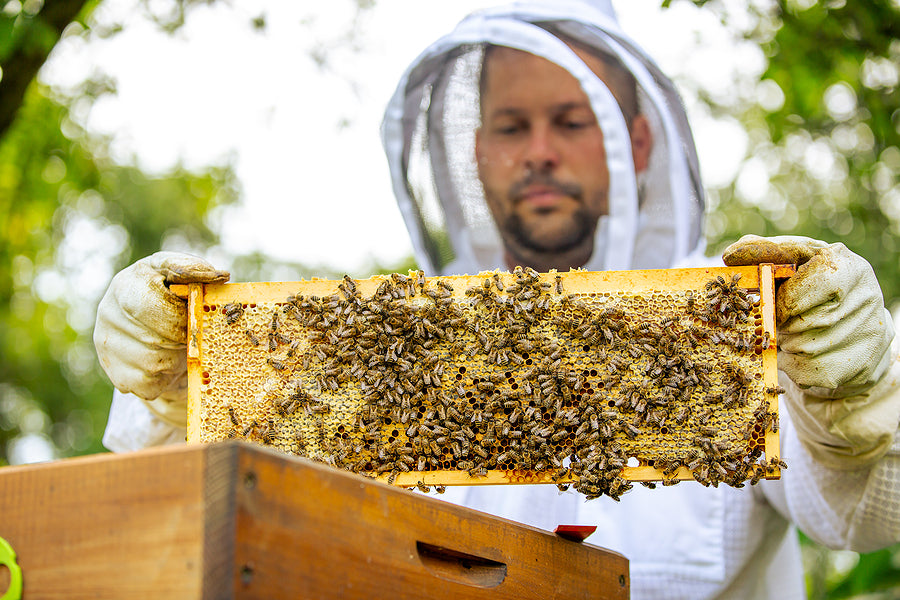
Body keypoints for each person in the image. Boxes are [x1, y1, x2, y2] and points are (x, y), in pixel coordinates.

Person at [94, 2, 900, 598]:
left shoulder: (736, 331)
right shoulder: (395, 346)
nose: (539, 153)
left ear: (635, 142)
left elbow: (866, 517)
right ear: (474, 152)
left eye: (571, 121)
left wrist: (856, 400)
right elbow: (204, 513)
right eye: (511, 126)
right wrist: (172, 393)